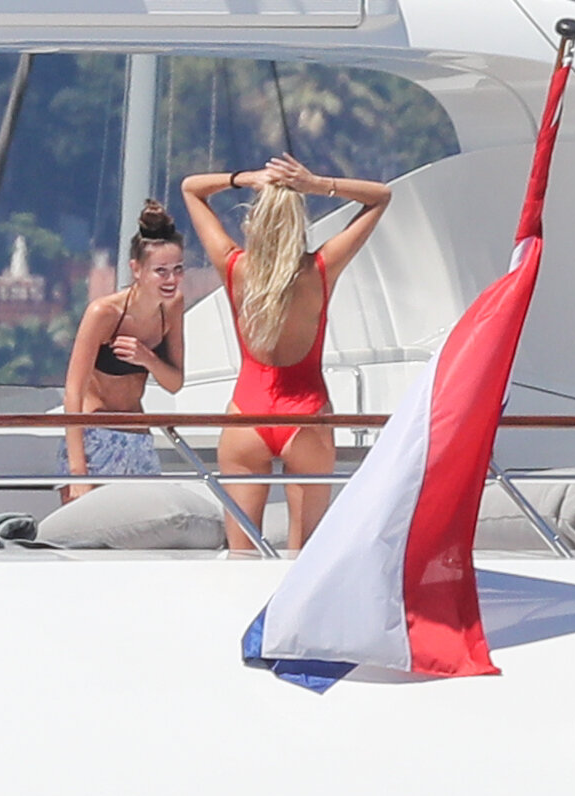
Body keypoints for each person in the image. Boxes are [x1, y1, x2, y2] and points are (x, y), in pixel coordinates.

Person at [181, 154, 390, 550]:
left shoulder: (234, 266)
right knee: (304, 557)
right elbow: (380, 196)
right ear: (299, 225)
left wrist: (246, 177)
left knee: (241, 557)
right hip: (306, 415)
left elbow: (191, 189)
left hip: (248, 413)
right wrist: (317, 184)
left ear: (254, 222)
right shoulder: (319, 270)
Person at [61, 199, 185, 502]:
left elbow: (174, 383)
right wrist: (78, 472)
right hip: (95, 439)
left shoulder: (172, 307)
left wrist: (147, 358)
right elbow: (73, 392)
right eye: (161, 271)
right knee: (87, 528)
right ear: (137, 269)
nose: (171, 279)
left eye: (177, 269)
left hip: (138, 439)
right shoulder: (104, 313)